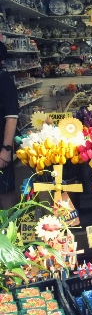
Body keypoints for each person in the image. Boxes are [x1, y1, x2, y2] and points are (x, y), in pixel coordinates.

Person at [0, 41, 19, 209]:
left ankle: (10, 230)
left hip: (1, 146)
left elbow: (11, 117)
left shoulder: (4, 80)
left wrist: (6, 149)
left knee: (4, 190)